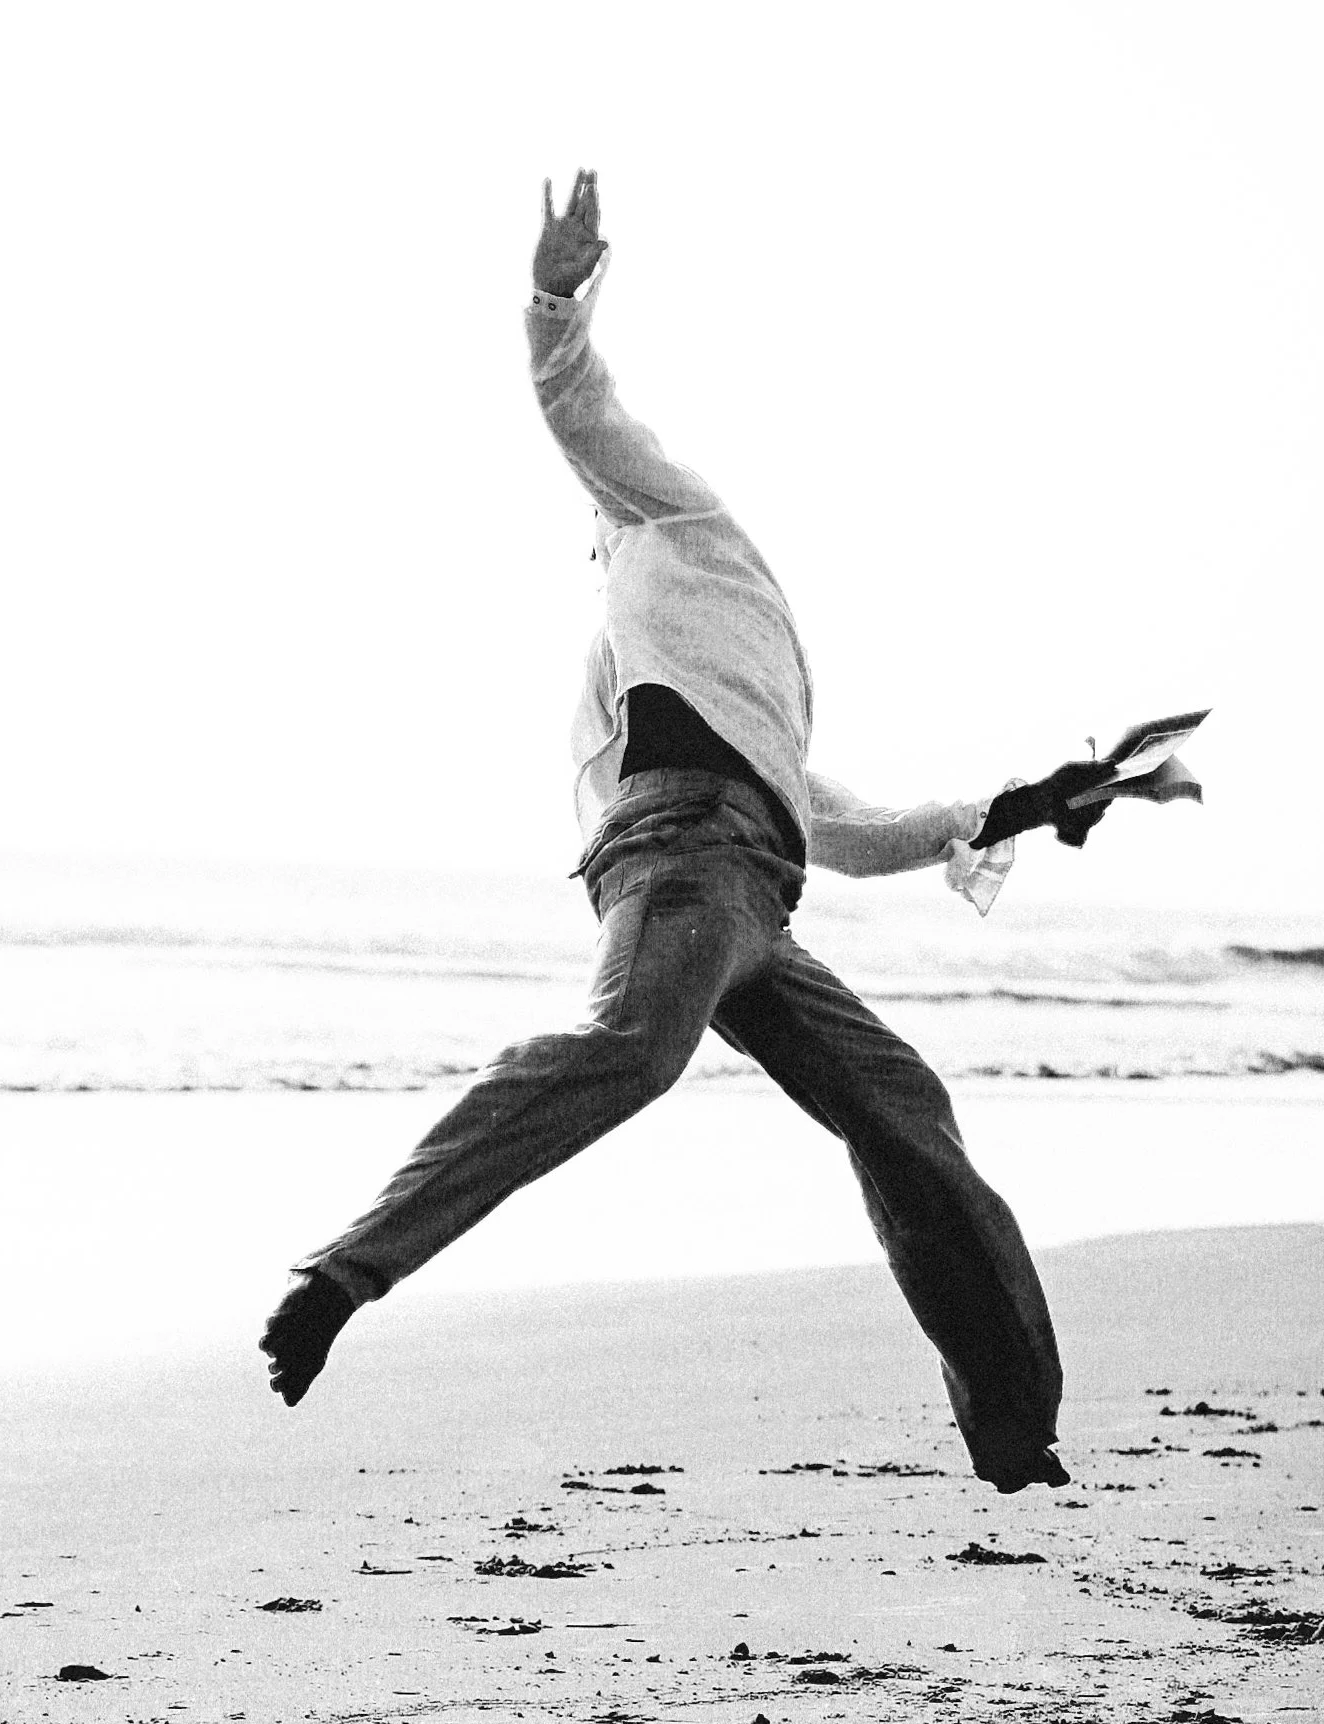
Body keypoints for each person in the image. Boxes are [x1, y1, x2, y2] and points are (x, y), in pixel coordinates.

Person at [260, 171, 1068, 1489]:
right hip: (684, 870)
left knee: (902, 1104)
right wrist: (552, 297)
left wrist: (991, 815)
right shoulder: (630, 640)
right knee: (631, 1049)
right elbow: (575, 399)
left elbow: (838, 820)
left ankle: (1014, 1429)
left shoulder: (692, 547)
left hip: (756, 897)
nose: (602, 533)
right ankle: (346, 1273)